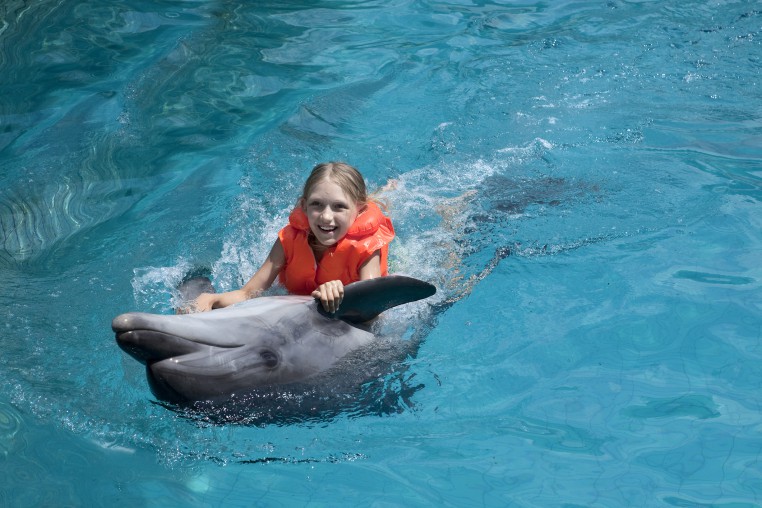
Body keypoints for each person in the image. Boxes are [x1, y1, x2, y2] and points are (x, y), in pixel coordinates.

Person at [192, 162, 395, 314]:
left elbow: (373, 313)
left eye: (339, 206)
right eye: (317, 204)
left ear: (359, 210)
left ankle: (390, 190)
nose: (326, 216)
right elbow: (248, 293)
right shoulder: (288, 241)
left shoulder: (367, 249)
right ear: (304, 206)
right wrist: (213, 299)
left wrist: (342, 294)